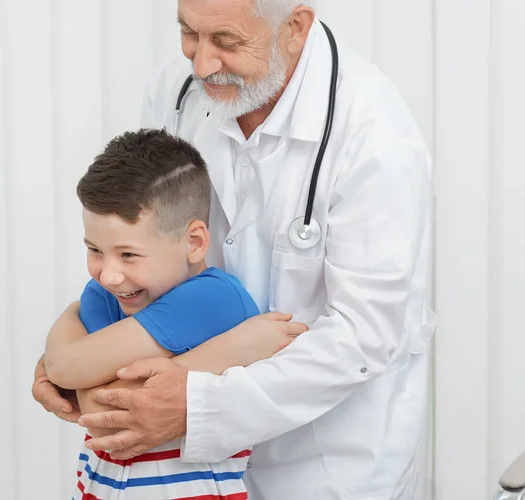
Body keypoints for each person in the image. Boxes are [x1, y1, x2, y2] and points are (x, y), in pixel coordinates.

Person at [34, 0, 437, 498]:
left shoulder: (375, 136)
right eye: (189, 34)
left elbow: (364, 336)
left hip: (327, 462)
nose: (201, 65)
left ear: (295, 27)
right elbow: (141, 248)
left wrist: (193, 401)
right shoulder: (177, 91)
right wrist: (72, 359)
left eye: (225, 42)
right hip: (189, 468)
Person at [43, 128, 304, 499]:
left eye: (128, 254)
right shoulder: (107, 293)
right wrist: (225, 353)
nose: (108, 273)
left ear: (194, 243)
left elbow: (100, 405)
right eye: (94, 250)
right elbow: (94, 405)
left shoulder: (214, 299)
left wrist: (72, 349)